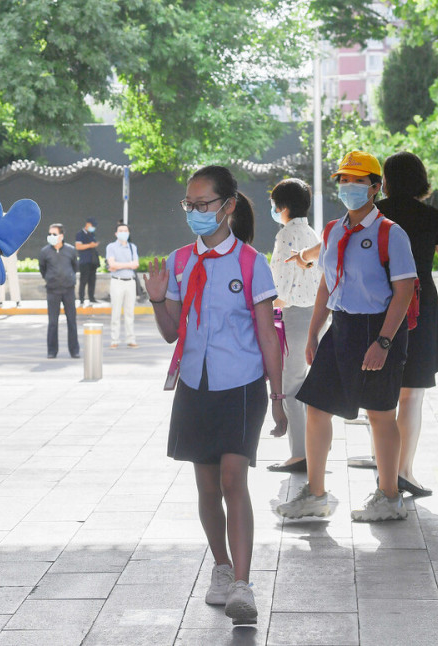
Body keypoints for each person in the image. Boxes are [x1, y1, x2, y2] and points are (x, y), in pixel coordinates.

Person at [144, 165, 286, 625]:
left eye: (203, 204)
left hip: (242, 385)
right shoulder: (181, 261)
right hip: (195, 384)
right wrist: (158, 298)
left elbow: (268, 336)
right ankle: (221, 568)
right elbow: (171, 334)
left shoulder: (251, 262)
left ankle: (243, 584)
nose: (195, 212)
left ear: (227, 206)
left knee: (232, 481)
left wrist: (278, 396)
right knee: (206, 486)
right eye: (190, 205)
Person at [276, 150, 416, 523]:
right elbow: (326, 284)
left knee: (381, 414)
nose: (349, 186)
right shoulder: (333, 231)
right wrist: (313, 334)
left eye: (358, 180)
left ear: (375, 187)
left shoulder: (391, 233)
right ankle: (316, 494)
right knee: (317, 408)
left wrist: (384, 342)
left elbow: (403, 292)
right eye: (343, 180)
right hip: (341, 327)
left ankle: (389, 496)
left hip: (378, 328)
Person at [375, 152, 438, 496]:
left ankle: (383, 467)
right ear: (422, 179)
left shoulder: (373, 214)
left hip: (378, 303)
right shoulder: (432, 217)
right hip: (418, 302)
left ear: (386, 181)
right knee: (411, 395)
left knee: (381, 394)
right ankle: (404, 471)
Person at [266, 178, 321, 473]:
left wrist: (263, 304)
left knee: (291, 386)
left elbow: (282, 288)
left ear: (282, 207)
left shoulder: (286, 235)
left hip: (297, 316)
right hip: (314, 313)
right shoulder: (311, 232)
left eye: (275, 204)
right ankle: (308, 450)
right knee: (301, 385)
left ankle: (300, 454)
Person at [38, 223, 80, 359]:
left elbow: (75, 267)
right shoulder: (45, 252)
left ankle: (74, 351)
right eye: (49, 234)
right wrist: (50, 280)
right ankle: (52, 351)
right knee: (52, 323)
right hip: (53, 291)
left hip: (68, 290)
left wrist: (69, 279)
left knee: (72, 321)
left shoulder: (71, 250)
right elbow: (42, 269)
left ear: (61, 236)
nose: (51, 236)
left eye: (54, 234)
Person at [106, 222, 139, 348]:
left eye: (125, 231)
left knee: (129, 313)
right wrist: (128, 264)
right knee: (116, 312)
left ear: (128, 233)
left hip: (130, 282)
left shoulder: (132, 247)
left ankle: (131, 339)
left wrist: (118, 265)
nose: (123, 233)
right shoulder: (111, 247)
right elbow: (112, 264)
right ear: (116, 233)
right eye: (120, 230)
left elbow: (135, 264)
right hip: (117, 281)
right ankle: (114, 340)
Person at [75, 217, 100, 306]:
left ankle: (91, 298)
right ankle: (81, 298)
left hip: (92, 261)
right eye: (92, 225)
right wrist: (90, 245)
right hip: (84, 262)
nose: (93, 228)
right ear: (87, 224)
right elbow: (78, 246)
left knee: (92, 280)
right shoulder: (80, 234)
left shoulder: (92, 234)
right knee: (83, 281)